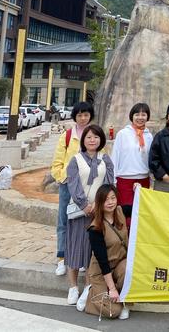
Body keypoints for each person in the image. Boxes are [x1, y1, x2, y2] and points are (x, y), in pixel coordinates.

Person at [66, 124, 114, 307]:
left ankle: (87, 287)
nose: (92, 140)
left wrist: (97, 204)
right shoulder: (75, 160)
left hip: (98, 211)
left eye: (96, 137)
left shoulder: (105, 159)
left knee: (91, 250)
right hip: (79, 211)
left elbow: (109, 182)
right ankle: (72, 286)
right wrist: (85, 205)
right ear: (83, 140)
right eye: (88, 137)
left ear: (101, 139)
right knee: (75, 246)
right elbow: (73, 183)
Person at [50, 101, 94, 277]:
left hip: (87, 187)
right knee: (63, 222)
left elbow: (102, 157)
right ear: (74, 116)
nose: (83, 118)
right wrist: (64, 177)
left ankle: (81, 258)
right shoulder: (67, 136)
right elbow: (57, 163)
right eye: (80, 115)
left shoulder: (94, 134)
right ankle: (62, 257)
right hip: (68, 186)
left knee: (84, 223)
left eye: (86, 115)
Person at [85, 184, 130, 320]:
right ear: (99, 202)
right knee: (113, 311)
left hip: (120, 264)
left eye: (113, 198)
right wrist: (112, 289)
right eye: (106, 200)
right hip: (101, 271)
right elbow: (103, 263)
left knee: (130, 267)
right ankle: (91, 296)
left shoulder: (121, 211)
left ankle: (126, 302)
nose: (110, 202)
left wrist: (138, 190)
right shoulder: (95, 228)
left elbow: (141, 206)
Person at [111, 103, 153, 222]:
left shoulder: (149, 136)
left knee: (141, 215)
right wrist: (113, 180)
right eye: (137, 114)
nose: (140, 117)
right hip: (125, 180)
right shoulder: (123, 134)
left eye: (143, 114)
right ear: (131, 116)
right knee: (125, 216)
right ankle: (125, 240)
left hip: (143, 179)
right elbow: (115, 156)